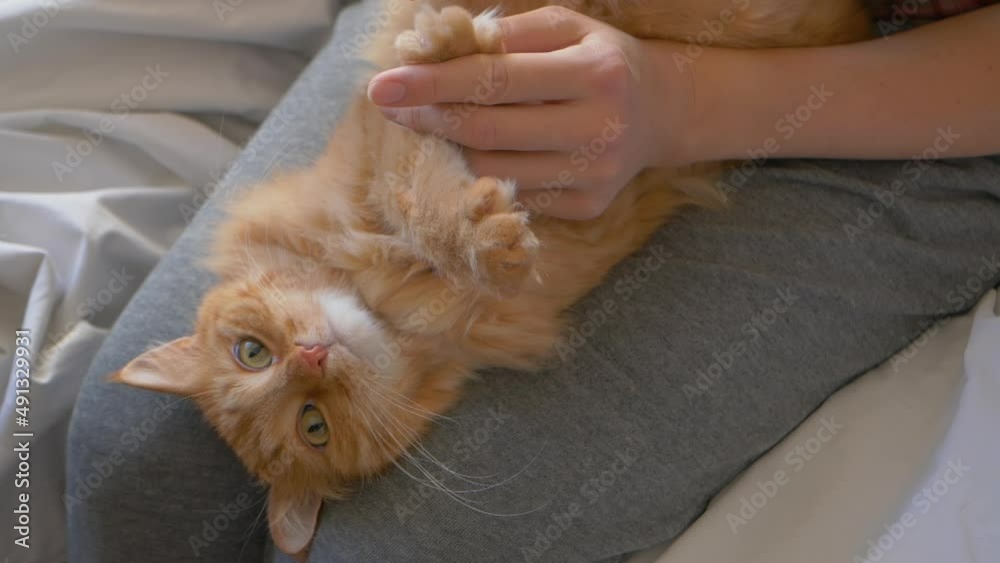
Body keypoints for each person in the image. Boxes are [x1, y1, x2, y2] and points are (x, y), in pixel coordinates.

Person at [67, 2, 1000, 562]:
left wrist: (678, 102)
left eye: (258, 355)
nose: (305, 361)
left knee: (394, 551)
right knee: (127, 451)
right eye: (311, 417)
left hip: (931, 87)